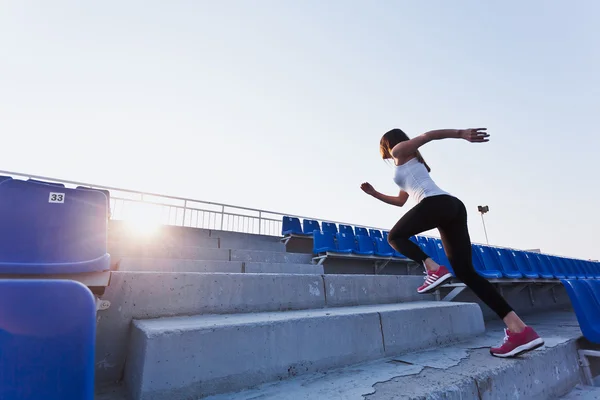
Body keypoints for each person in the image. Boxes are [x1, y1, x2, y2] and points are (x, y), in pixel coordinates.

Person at [360, 127, 544, 358]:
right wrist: (374, 193)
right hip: (452, 207)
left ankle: (433, 269)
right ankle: (520, 330)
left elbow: (427, 136)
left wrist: (460, 133)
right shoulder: (410, 163)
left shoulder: (400, 150)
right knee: (467, 273)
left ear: (388, 144)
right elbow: (400, 201)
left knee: (394, 237)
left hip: (435, 203)